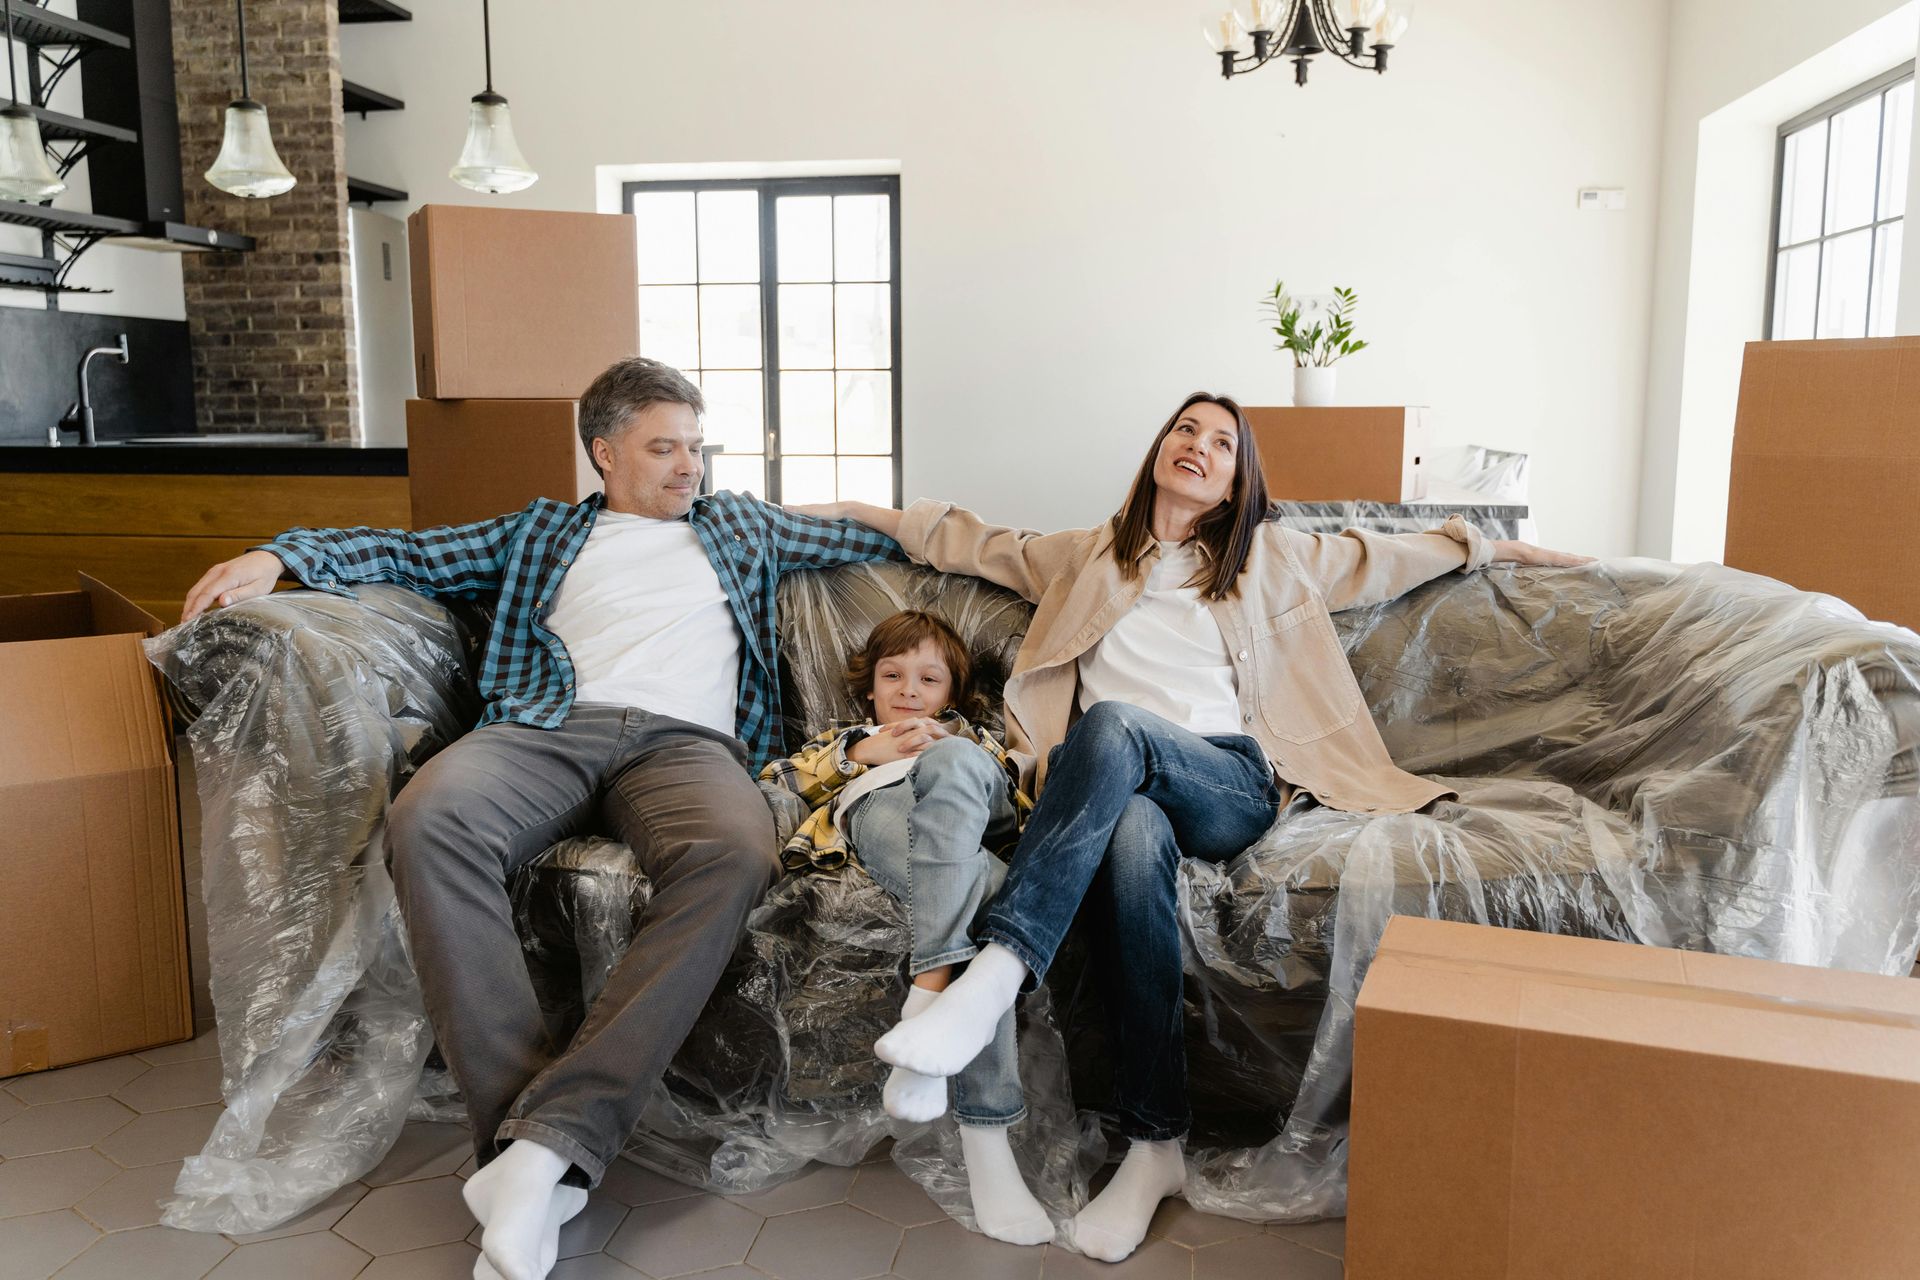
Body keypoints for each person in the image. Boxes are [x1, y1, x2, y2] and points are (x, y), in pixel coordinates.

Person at [792, 391, 1591, 1262]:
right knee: (1132, 838)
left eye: (1222, 443)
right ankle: (1154, 1146)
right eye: (1186, 430)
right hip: (1119, 791)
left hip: (1227, 780)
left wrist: (1500, 546)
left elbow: (1391, 555)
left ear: (1238, 476)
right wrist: (850, 507)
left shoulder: (1274, 557)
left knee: (1114, 724)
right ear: (1160, 448)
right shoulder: (1085, 556)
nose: (1200, 448)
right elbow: (968, 539)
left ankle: (988, 980)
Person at [180, 358, 900, 1280]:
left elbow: (883, 535)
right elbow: (405, 553)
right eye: (664, 447)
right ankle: (530, 1147)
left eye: (696, 445)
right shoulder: (541, 532)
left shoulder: (741, 526)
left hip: (687, 747)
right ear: (604, 452)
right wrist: (278, 555)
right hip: (546, 726)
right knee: (427, 819)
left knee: (734, 852)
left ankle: (544, 1145)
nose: (691, 465)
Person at [760, 609, 1051, 1245]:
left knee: (952, 765)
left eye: (928, 679)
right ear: (869, 688)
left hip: (973, 801)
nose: (908, 691)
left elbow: (1022, 792)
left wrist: (955, 746)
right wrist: (862, 754)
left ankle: (926, 1004)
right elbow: (772, 780)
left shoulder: (977, 737)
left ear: (953, 693)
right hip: (883, 809)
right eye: (892, 676)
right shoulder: (849, 741)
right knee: (985, 908)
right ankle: (986, 1140)